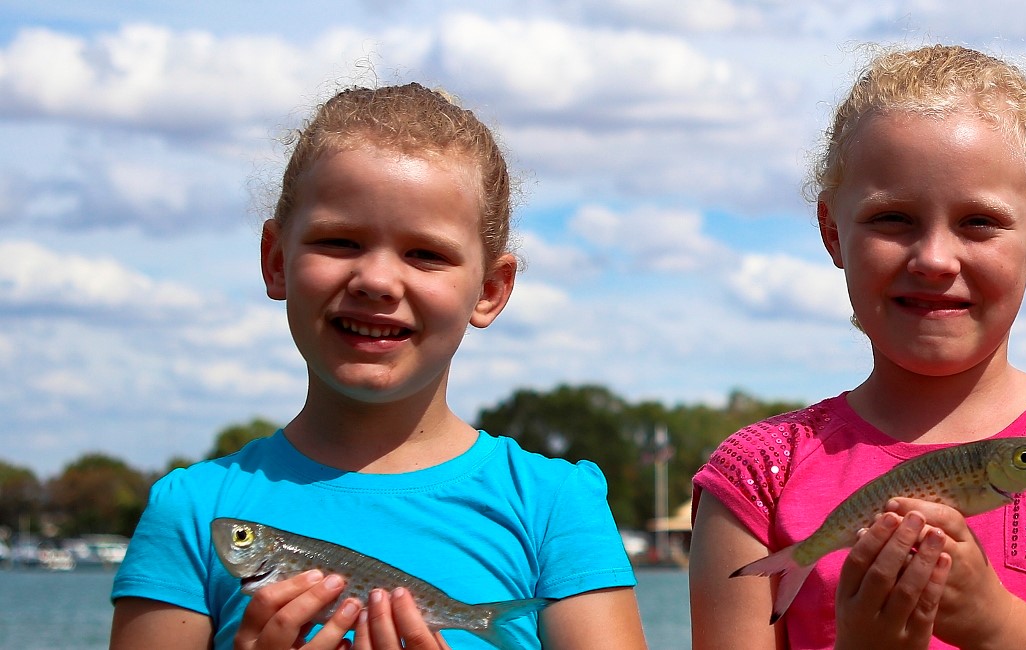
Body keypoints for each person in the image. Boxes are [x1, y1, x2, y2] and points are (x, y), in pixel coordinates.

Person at [687, 45, 1026, 650]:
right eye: (893, 219)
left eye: (978, 222)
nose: (934, 259)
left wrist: (994, 624)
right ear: (834, 233)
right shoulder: (756, 477)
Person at [107, 83, 648, 650]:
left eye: (426, 254)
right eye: (339, 241)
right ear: (276, 262)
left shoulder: (552, 505)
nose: (378, 281)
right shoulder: (193, 512)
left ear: (490, 289)